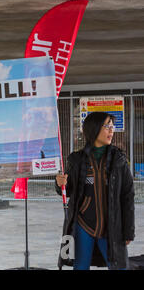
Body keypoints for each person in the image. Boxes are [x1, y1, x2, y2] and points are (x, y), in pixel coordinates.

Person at [55, 112, 134, 270]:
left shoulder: (119, 160)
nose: (111, 130)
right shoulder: (76, 159)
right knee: (81, 266)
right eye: (107, 126)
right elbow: (67, 191)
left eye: (112, 127)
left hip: (111, 225)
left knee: (119, 266)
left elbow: (128, 196)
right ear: (94, 129)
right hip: (83, 224)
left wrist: (128, 230)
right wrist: (59, 184)